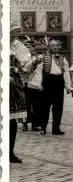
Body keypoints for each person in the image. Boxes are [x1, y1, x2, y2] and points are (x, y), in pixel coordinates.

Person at [10, 26, 39, 163]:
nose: (15, 36)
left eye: (16, 34)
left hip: (12, 84)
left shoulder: (18, 46)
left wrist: (33, 62)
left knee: (11, 119)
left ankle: (9, 152)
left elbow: (25, 65)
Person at [39, 39, 73, 135]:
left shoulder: (63, 58)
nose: (55, 47)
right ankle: (43, 127)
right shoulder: (43, 57)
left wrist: (68, 86)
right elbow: (38, 72)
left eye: (56, 45)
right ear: (48, 46)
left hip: (59, 82)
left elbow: (66, 72)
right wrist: (39, 84)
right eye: (52, 45)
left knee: (58, 106)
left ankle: (56, 128)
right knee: (45, 106)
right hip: (47, 81)